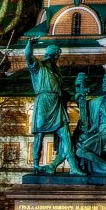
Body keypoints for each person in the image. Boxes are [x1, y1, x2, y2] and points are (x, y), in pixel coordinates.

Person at [26, 40, 77, 172]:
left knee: (65, 134)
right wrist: (30, 45)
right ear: (52, 55)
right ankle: (36, 164)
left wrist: (74, 97)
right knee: (39, 134)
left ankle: (73, 167)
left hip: (57, 103)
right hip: (44, 102)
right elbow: (28, 57)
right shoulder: (39, 66)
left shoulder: (57, 71)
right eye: (56, 56)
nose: (57, 58)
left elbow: (61, 90)